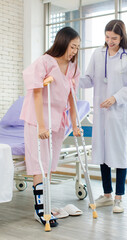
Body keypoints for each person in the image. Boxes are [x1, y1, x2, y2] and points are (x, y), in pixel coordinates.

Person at [20, 26, 81, 227]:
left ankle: (47, 204)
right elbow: (36, 93)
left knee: (49, 165)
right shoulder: (45, 62)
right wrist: (40, 126)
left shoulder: (72, 67)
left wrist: (75, 123)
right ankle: (40, 211)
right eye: (72, 46)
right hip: (38, 119)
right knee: (40, 163)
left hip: (57, 121)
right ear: (62, 42)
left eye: (77, 48)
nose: (74, 51)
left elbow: (72, 98)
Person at [79, 19, 127, 213]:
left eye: (114, 38)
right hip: (100, 112)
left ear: (122, 37)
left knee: (119, 153)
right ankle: (106, 195)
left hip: (118, 112)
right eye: (107, 37)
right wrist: (70, 79)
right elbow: (88, 79)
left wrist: (115, 98)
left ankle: (118, 198)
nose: (110, 41)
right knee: (103, 151)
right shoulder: (98, 54)